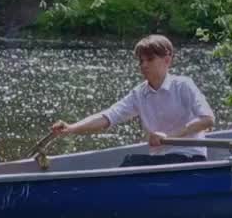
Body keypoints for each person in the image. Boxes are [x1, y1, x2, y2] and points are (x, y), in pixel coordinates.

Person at [49, 34, 215, 167]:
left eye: (149, 60)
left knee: (130, 163)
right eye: (141, 61)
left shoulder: (183, 85)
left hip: (190, 160)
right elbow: (108, 117)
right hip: (160, 163)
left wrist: (170, 136)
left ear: (167, 60)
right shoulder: (139, 93)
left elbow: (208, 119)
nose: (143, 65)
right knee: (130, 163)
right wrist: (71, 128)